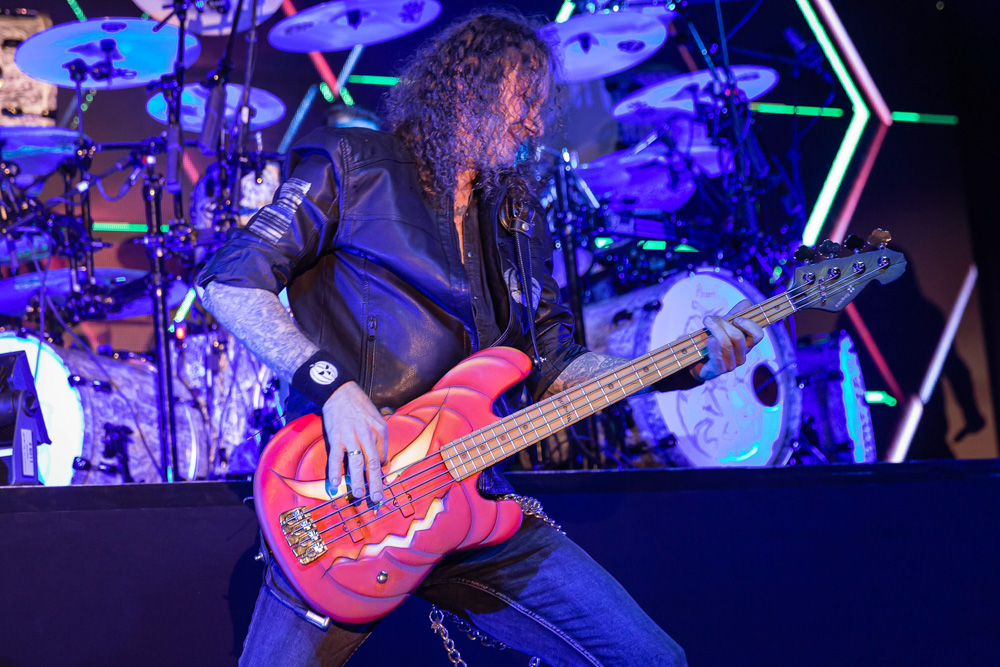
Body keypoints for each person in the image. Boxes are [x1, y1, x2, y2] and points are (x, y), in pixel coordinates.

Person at [198, 10, 764, 666]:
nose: (536, 124)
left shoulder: (518, 214)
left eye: (542, 107)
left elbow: (555, 366)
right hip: (348, 496)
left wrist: (682, 365)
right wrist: (334, 389)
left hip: (471, 498)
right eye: (525, 101)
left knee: (653, 660)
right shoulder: (353, 162)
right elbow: (229, 281)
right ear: (467, 84)